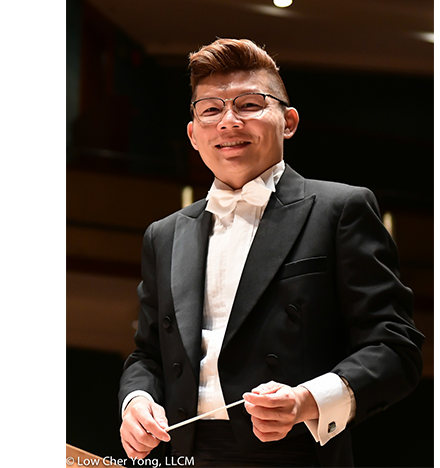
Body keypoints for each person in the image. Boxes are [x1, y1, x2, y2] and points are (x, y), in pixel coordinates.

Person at [118, 38, 424, 467]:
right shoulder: (164, 234)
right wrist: (136, 400)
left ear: (288, 121)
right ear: (193, 134)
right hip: (178, 454)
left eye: (249, 104)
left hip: (295, 453)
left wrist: (306, 400)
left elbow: (395, 348)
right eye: (210, 109)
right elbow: (148, 354)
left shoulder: (340, 209)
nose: (228, 122)